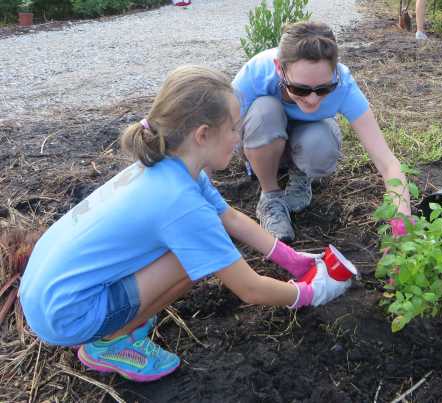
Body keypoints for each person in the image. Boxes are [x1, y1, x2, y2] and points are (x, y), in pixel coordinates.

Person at [18, 65, 350, 382]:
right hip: (67, 315)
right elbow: (249, 289)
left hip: (45, 291)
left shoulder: (169, 165)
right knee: (193, 258)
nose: (239, 135)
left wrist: (291, 259)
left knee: (196, 248)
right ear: (203, 135)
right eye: (234, 127)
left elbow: (230, 217)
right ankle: (109, 344)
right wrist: (312, 292)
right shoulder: (181, 203)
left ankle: (119, 320)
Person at [232, 21, 412, 243]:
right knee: (264, 112)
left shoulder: (344, 85)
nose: (312, 99)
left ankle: (302, 175)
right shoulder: (257, 73)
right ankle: (270, 196)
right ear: (280, 68)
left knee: (321, 140)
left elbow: (388, 163)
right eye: (300, 89)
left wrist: (401, 233)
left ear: (335, 71)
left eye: (324, 89)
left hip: (304, 145)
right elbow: (220, 134)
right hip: (262, 142)